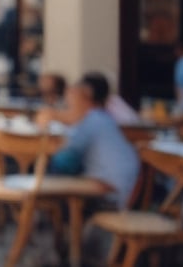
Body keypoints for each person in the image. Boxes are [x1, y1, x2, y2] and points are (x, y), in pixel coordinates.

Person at [35, 73, 140, 209]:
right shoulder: (102, 118)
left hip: (110, 196)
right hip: (122, 191)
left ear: (85, 96)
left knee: (53, 174)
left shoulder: (91, 121)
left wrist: (53, 143)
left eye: (73, 96)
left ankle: (46, 217)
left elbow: (64, 160)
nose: (69, 103)